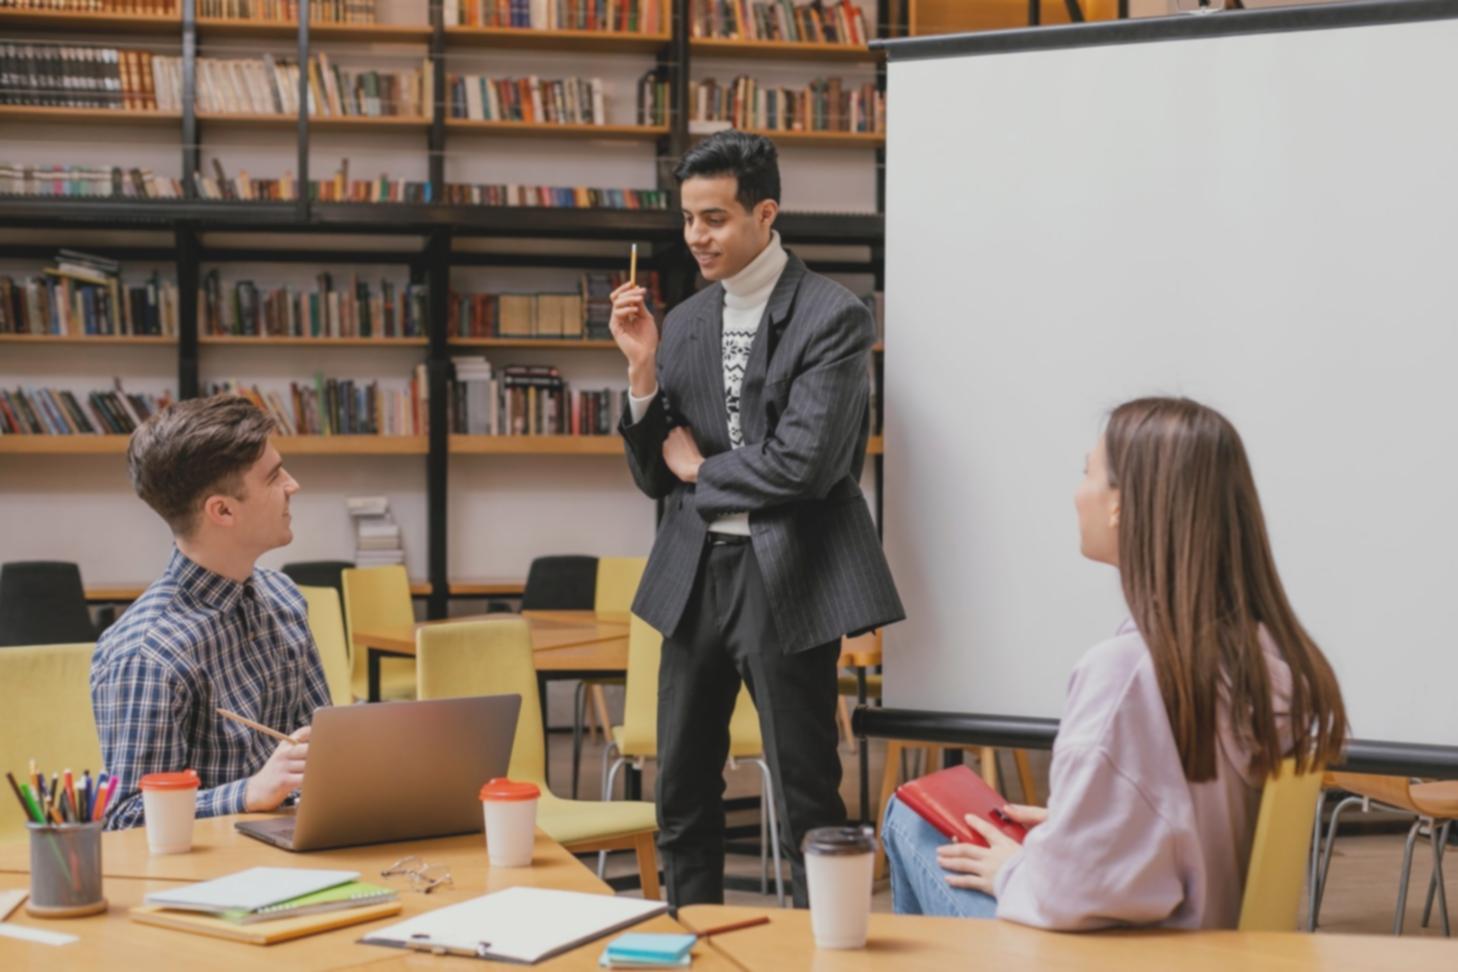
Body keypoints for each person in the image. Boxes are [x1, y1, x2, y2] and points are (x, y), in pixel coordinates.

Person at [883, 396, 1347, 929]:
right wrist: (1070, 829)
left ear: (1120, 506)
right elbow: (1190, 824)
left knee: (912, 819)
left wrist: (1017, 869)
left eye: (1088, 473)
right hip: (1218, 946)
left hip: (1125, 951)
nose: (1077, 493)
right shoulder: (1269, 658)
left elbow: (1069, 895)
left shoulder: (1127, 675)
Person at [611, 130, 905, 907]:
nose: (696, 237)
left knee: (807, 796)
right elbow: (653, 477)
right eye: (687, 219)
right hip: (692, 575)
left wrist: (699, 470)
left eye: (714, 218)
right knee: (680, 793)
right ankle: (694, 942)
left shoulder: (834, 317)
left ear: (765, 213)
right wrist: (641, 371)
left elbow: (805, 465)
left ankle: (822, 950)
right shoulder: (684, 323)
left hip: (788, 577)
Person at [91, 394, 331, 830]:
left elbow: (324, 746)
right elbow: (125, 817)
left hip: (303, 845)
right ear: (222, 510)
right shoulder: (148, 653)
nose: (292, 485)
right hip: (213, 867)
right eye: (274, 477)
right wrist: (249, 793)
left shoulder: (284, 598)